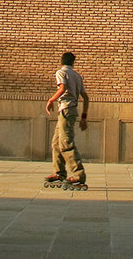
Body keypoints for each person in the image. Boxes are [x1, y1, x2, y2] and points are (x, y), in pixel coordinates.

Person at [44, 52, 89, 187]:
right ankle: (59, 173)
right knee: (56, 143)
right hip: (70, 111)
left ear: (61, 61)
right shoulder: (77, 76)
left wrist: (51, 100)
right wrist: (84, 117)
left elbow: (62, 88)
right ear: (73, 62)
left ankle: (79, 175)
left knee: (65, 143)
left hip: (66, 110)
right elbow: (85, 98)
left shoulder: (61, 72)